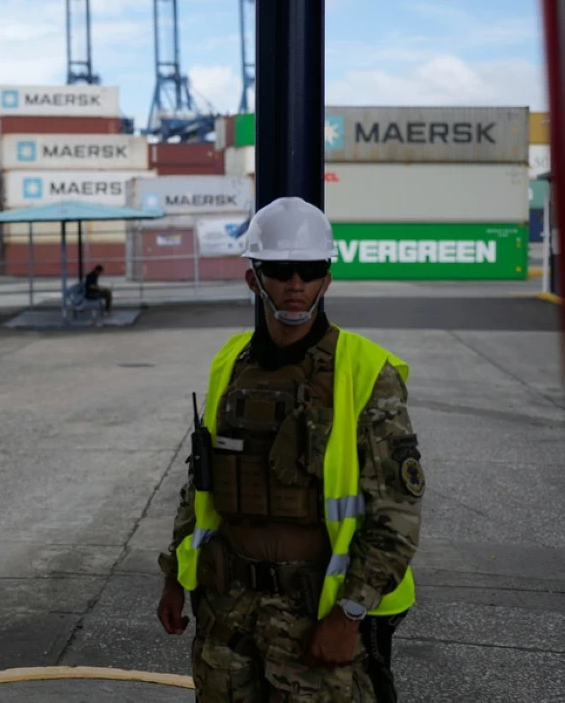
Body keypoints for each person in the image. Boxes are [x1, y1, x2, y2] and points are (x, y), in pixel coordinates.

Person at [155, 197, 423, 702]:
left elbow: (397, 515)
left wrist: (348, 616)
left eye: (310, 268)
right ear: (254, 279)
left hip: (316, 613)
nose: (295, 283)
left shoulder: (366, 372)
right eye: (280, 269)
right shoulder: (230, 362)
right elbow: (201, 484)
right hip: (227, 613)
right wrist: (175, 576)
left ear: (327, 277)